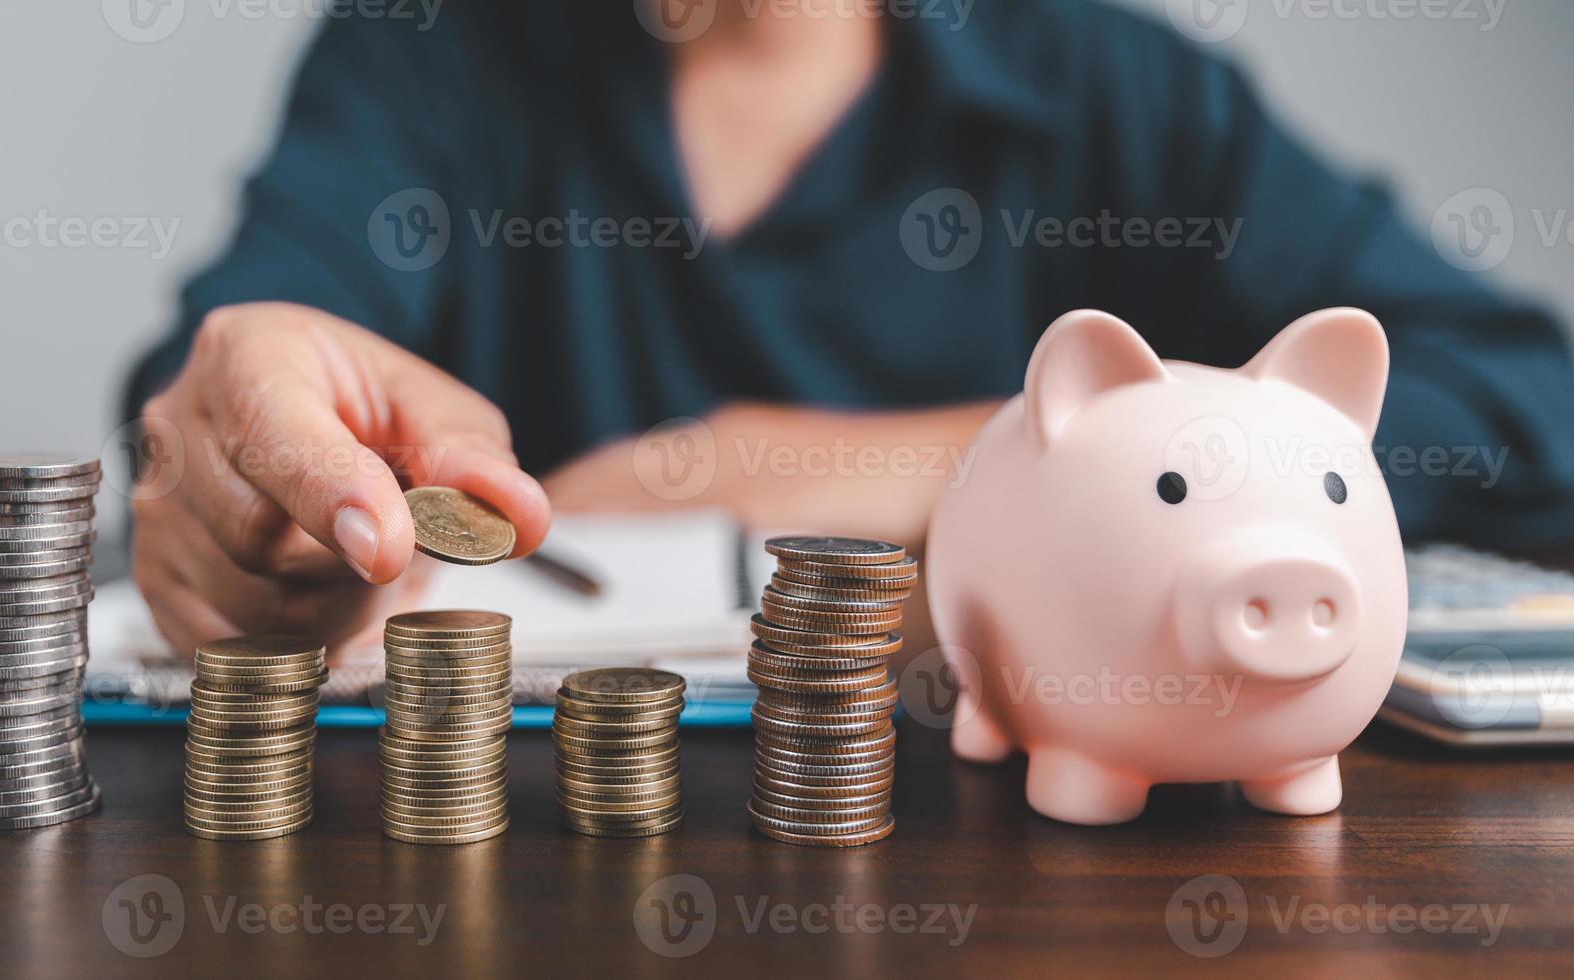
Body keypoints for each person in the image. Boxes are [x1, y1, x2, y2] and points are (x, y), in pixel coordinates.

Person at [125, 0, 1574, 658]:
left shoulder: (1114, 84)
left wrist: (967, 459)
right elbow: (248, 353)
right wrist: (243, 443)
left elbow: (1521, 395)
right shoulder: (421, 50)